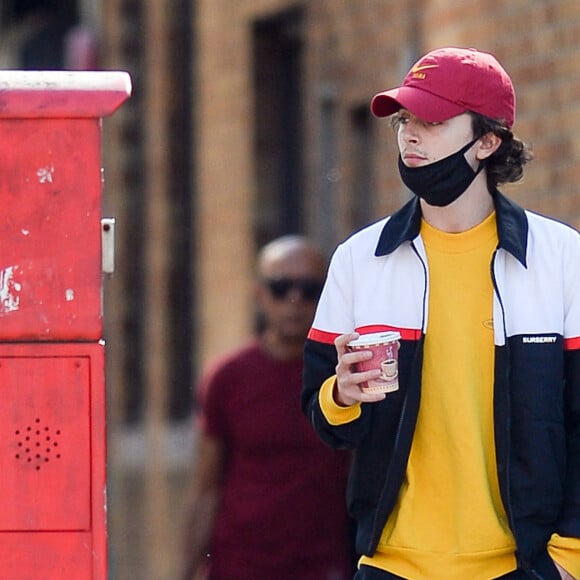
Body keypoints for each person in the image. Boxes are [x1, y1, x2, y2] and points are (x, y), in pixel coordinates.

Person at [301, 47, 580, 580]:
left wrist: (567, 562)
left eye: (431, 121)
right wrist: (340, 395)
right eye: (404, 119)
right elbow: (323, 422)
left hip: (519, 568)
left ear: (487, 141)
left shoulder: (563, 259)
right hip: (390, 566)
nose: (409, 135)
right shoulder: (360, 260)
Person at [182, 235, 355, 580]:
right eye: (280, 287)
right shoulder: (229, 377)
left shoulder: (347, 376)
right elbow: (206, 487)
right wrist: (186, 570)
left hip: (325, 567)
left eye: (309, 289)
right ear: (259, 294)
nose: (294, 299)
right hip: (240, 566)